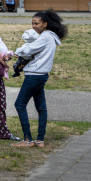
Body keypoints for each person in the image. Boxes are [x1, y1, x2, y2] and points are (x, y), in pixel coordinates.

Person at [13, 10, 67, 147]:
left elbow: (29, 49)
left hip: (34, 75)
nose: (34, 26)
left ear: (45, 24)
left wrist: (17, 52)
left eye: (37, 23)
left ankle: (28, 140)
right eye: (32, 23)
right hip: (42, 75)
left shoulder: (44, 37)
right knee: (41, 108)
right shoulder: (50, 37)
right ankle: (40, 139)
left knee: (19, 104)